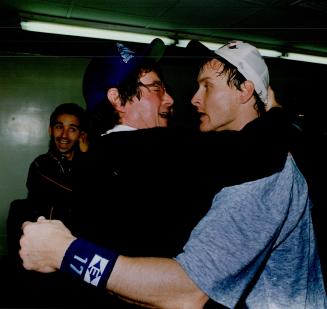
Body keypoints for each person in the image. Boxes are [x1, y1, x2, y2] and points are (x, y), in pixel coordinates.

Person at [20, 39, 325, 308]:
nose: (178, 99)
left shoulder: (108, 161)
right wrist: (277, 113)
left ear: (245, 90)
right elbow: (248, 149)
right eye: (156, 88)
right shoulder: (148, 152)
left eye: (206, 86)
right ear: (117, 99)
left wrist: (68, 253)